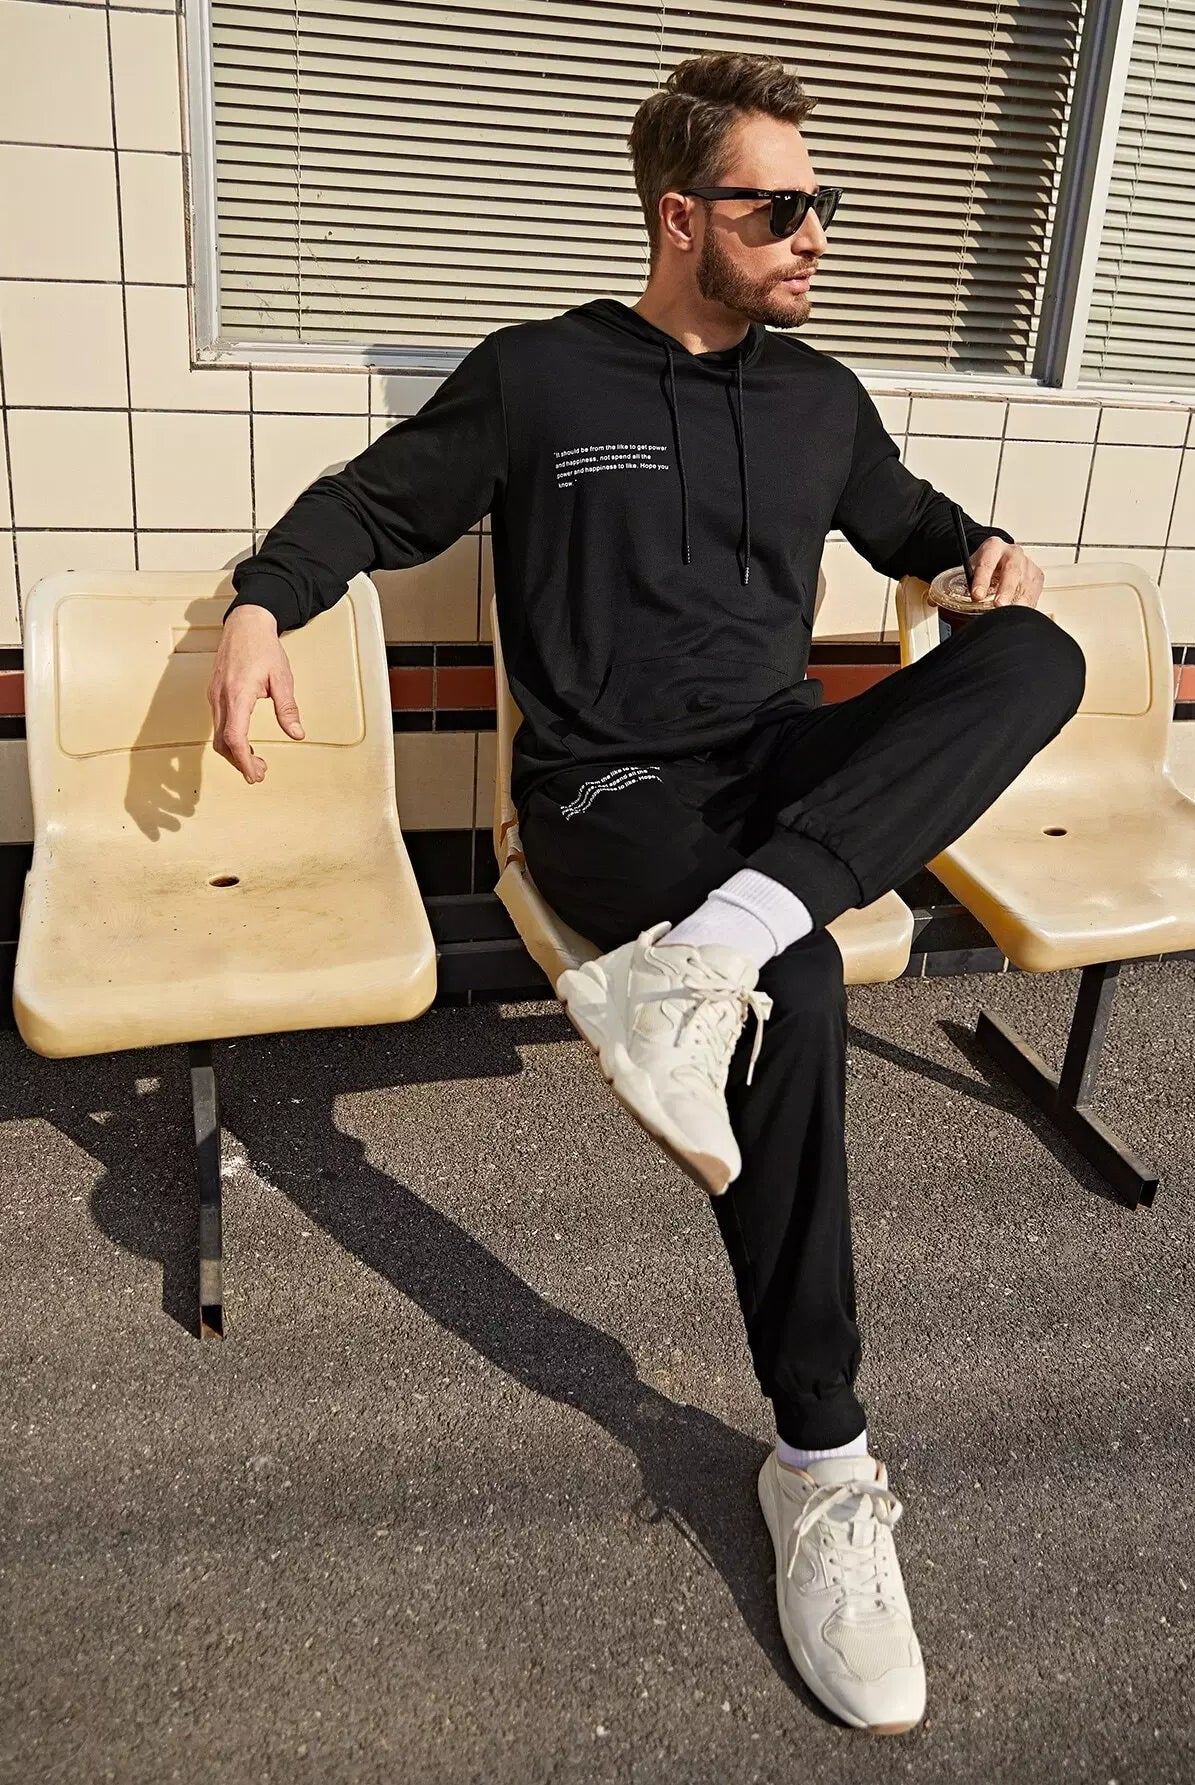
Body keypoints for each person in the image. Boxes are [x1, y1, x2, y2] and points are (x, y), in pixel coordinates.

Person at [207, 50, 1086, 1737]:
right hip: (603, 789)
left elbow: (914, 524)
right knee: (800, 990)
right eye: (780, 207)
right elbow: (365, 506)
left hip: (772, 762)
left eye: (821, 202)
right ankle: (820, 1458)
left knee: (1035, 656)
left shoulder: (819, 398)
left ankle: (711, 952)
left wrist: (978, 552)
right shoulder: (541, 377)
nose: (815, 233)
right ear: (682, 218)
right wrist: (259, 606)